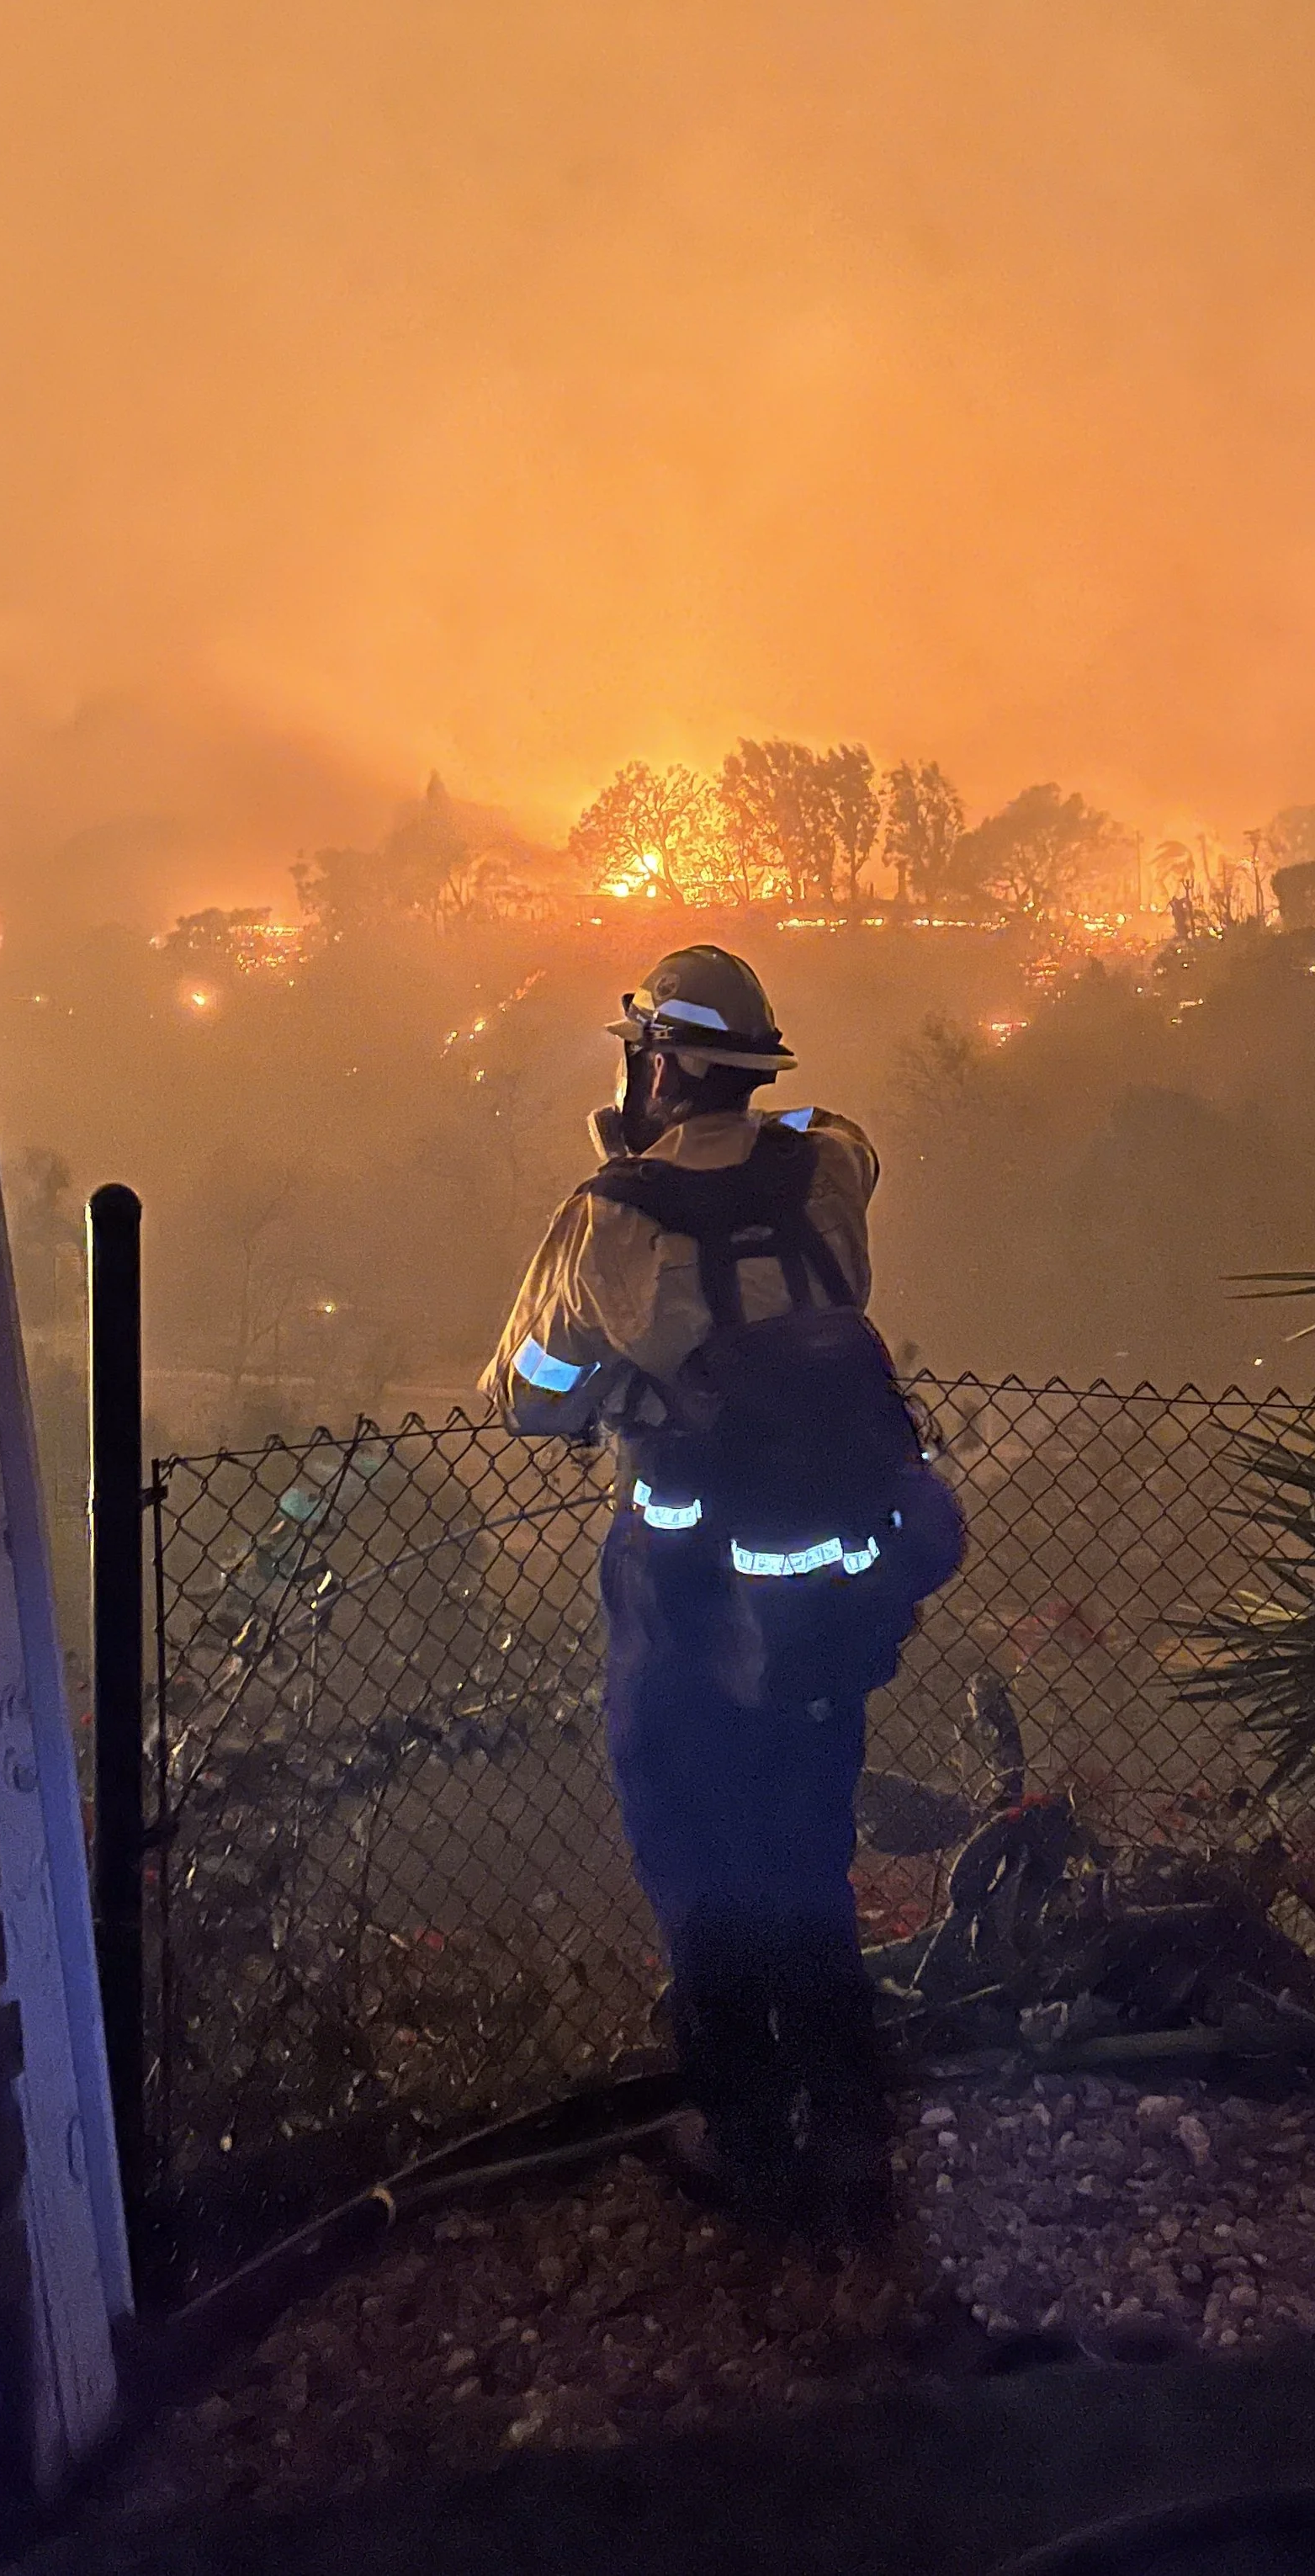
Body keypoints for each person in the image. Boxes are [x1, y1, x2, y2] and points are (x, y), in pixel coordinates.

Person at [486, 944, 962, 2233]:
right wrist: (725, 1102)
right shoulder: (832, 1171)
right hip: (827, 1577)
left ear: (654, 1066)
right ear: (755, 1065)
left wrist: (631, 1159)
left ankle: (747, 2130)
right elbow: (812, 1126)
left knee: (692, 1843)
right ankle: (851, 2118)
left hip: (679, 1581)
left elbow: (528, 1395)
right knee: (806, 1836)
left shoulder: (609, 1218)